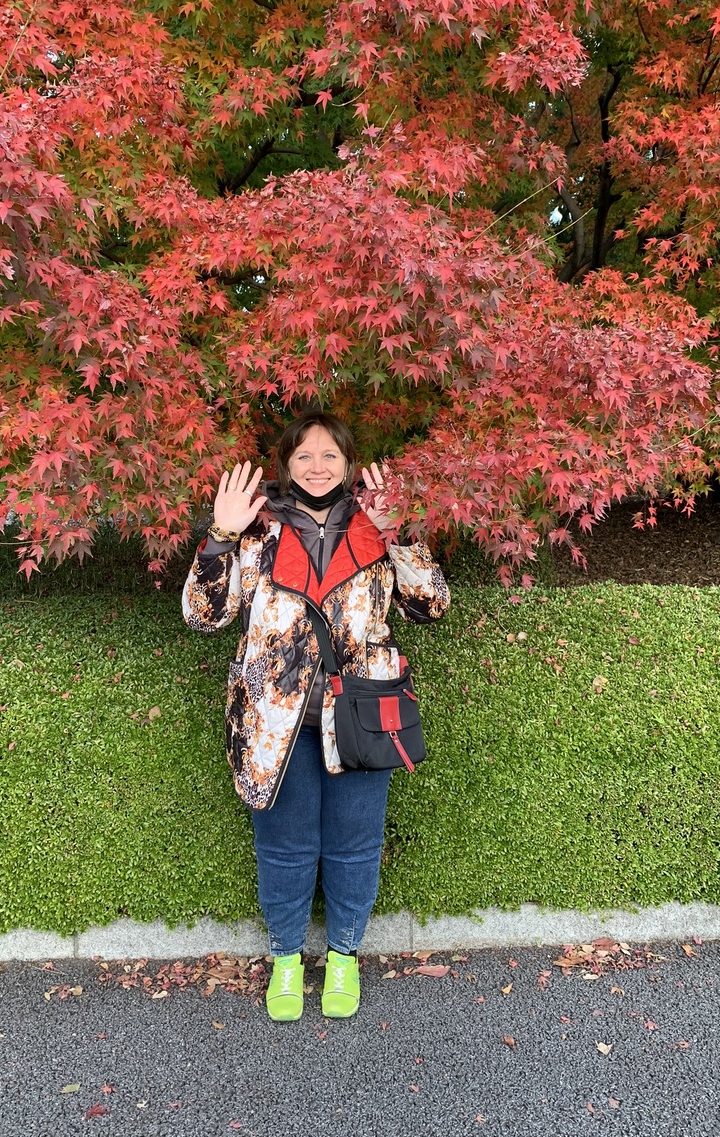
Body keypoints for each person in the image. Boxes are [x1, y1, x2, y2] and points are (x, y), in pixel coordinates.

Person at [181, 411, 450, 1021]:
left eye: (330, 454)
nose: (318, 466)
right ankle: (285, 960)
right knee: (284, 847)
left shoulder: (376, 524)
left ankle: (345, 957)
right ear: (285, 465)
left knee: (355, 845)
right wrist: (220, 536)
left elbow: (430, 606)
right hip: (274, 720)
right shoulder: (257, 531)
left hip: (362, 714)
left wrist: (400, 534)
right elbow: (203, 615)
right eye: (304, 455)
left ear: (349, 465)